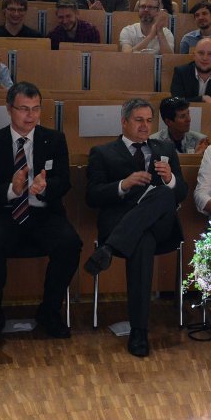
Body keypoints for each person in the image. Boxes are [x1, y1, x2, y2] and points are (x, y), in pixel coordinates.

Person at [0, 82, 82, 345]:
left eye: (35, 109)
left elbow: (64, 181)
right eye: (24, 109)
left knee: (70, 244)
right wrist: (13, 189)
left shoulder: (54, 139)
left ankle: (50, 310)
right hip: (3, 213)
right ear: (9, 109)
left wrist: (45, 188)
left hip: (43, 213)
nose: (30, 115)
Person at [84, 98, 187, 357]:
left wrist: (170, 179)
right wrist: (123, 184)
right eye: (138, 120)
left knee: (164, 195)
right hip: (125, 223)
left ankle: (109, 248)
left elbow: (182, 193)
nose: (144, 126)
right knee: (142, 242)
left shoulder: (164, 148)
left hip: (159, 223)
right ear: (124, 122)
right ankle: (139, 332)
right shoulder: (102, 152)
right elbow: (92, 196)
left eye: (148, 120)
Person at [170, 38, 211, 105]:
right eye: (201, 53)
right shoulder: (181, 72)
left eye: (210, 54)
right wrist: (202, 99)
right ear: (194, 55)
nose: (205, 58)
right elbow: (176, 101)